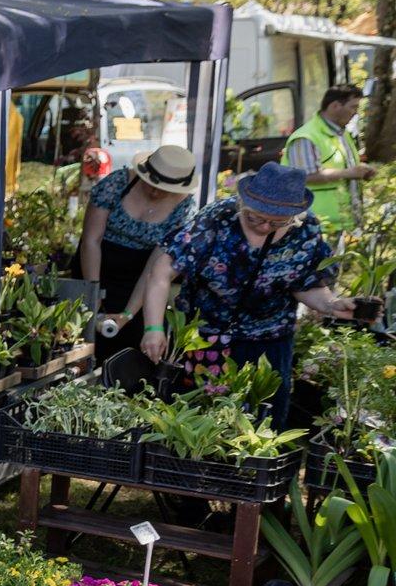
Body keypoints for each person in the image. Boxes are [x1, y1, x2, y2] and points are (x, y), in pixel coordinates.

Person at [138, 161, 358, 424]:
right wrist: (153, 329)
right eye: (256, 217)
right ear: (244, 203)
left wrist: (332, 305)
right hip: (207, 338)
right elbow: (161, 273)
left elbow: (304, 285)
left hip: (269, 341)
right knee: (200, 419)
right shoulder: (216, 219)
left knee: (262, 423)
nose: (265, 227)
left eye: (277, 222)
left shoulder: (306, 230)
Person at [76, 144, 199, 359]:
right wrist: (93, 293)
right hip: (95, 264)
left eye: (163, 188)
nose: (154, 191)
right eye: (150, 182)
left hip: (139, 281)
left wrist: (128, 314)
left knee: (124, 347)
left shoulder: (184, 210)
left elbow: (154, 270)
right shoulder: (116, 183)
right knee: (80, 339)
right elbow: (91, 240)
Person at [282, 85, 376, 229]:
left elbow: (346, 169)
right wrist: (349, 173)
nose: (356, 113)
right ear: (335, 106)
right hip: (316, 225)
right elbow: (304, 176)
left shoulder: (342, 133)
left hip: (345, 222)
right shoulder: (306, 137)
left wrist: (362, 173)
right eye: (353, 107)